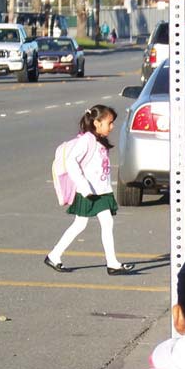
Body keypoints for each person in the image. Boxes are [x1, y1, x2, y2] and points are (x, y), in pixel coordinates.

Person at [45, 105, 135, 275]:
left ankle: (110, 263)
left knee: (97, 223)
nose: (112, 126)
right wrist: (83, 186)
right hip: (90, 191)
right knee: (85, 224)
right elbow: (72, 161)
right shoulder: (87, 140)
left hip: (100, 190)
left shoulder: (98, 139)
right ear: (96, 123)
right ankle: (56, 255)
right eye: (109, 123)